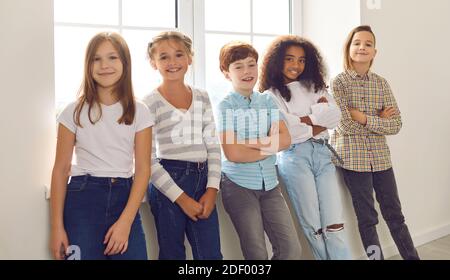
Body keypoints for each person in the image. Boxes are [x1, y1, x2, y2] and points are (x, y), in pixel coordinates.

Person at [50, 32, 153, 260]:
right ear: (88, 65)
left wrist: (126, 222)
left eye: (112, 57)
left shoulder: (140, 112)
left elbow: (144, 169)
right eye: (96, 59)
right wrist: (56, 227)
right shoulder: (72, 111)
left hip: (124, 200)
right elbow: (60, 169)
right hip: (82, 200)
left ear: (125, 63)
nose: (104, 65)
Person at [330, 25, 420, 260]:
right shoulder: (338, 83)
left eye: (368, 44)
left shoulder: (382, 83)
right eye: (357, 42)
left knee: (395, 216)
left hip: (381, 159)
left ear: (374, 52)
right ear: (349, 48)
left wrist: (362, 117)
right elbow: (343, 126)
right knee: (367, 219)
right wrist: (377, 120)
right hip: (352, 161)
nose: (362, 47)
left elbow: (396, 124)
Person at [260, 35, 351, 260]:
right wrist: (316, 118)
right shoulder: (269, 96)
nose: (296, 65)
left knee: (334, 224)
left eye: (301, 60)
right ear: (277, 61)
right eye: (290, 59)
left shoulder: (315, 86)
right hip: (293, 157)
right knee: (313, 226)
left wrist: (300, 120)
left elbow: (335, 117)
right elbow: (288, 132)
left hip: (323, 153)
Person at [217, 41, 302, 260]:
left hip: (270, 184)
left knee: (291, 250)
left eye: (251, 64)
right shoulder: (226, 106)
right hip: (238, 186)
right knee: (256, 254)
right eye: (238, 66)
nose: (247, 71)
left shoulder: (267, 101)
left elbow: (285, 140)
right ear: (227, 73)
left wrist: (249, 142)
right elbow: (233, 154)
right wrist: (268, 144)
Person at [143, 31, 222, 260]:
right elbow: (147, 159)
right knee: (172, 254)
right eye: (164, 57)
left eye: (179, 55)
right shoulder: (149, 103)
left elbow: (213, 146)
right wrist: (181, 198)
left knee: (210, 256)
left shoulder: (202, 97)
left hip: (203, 181)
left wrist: (211, 189)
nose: (172, 62)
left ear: (190, 58)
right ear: (153, 63)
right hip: (168, 182)